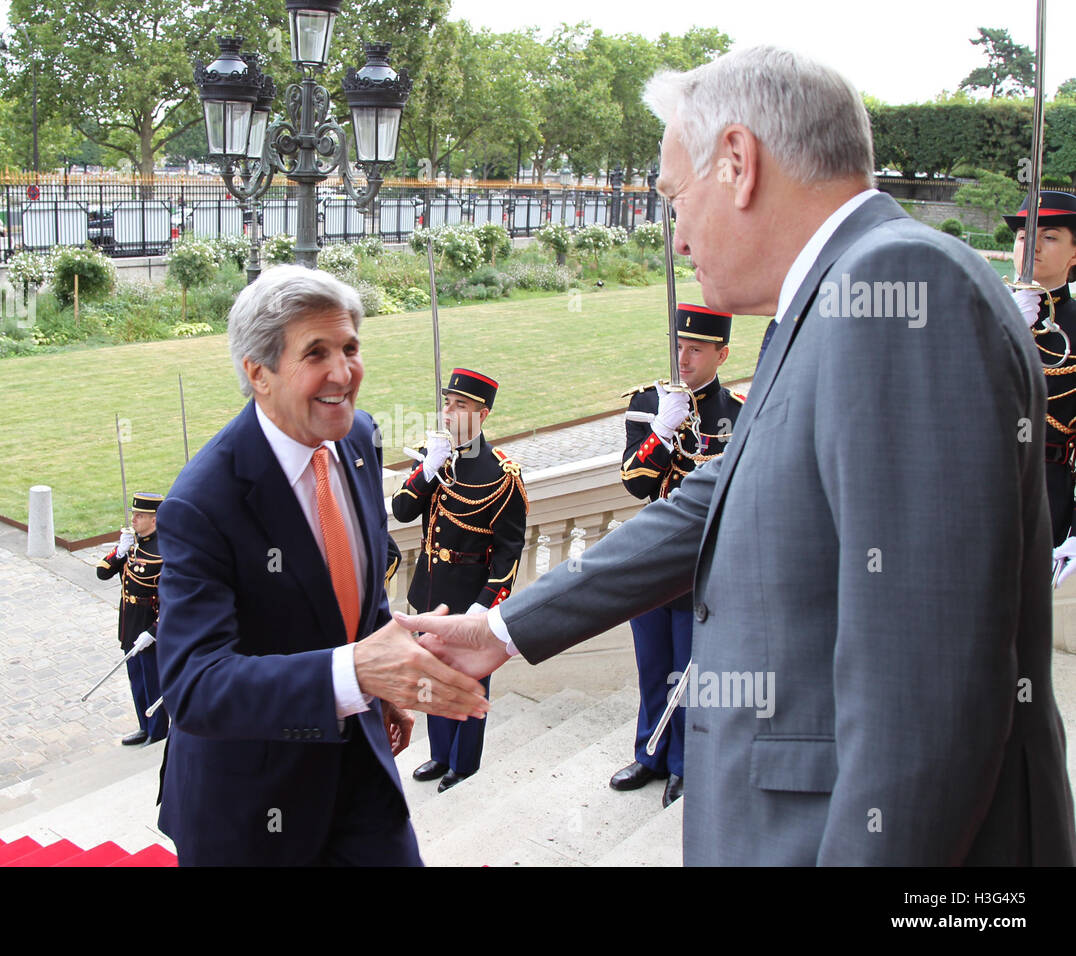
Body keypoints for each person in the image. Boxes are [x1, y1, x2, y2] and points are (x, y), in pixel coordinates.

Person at [397, 45, 1076, 865]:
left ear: (739, 163)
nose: (676, 234)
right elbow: (715, 499)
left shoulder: (897, 291)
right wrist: (503, 628)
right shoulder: (843, 293)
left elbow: (924, 699)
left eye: (673, 197)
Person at [155, 265, 489, 866]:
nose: (344, 373)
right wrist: (357, 672)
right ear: (258, 372)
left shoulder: (358, 437)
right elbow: (194, 686)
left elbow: (360, 593)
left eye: (351, 347)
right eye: (316, 353)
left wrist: (384, 673)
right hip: (254, 809)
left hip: (360, 776)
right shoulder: (202, 503)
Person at [612, 306, 743, 807]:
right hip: (651, 559)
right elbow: (634, 482)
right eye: (680, 347)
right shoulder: (650, 404)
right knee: (652, 665)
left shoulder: (735, 412)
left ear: (721, 354)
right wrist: (662, 431)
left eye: (697, 349)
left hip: (702, 565)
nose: (683, 358)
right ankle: (651, 754)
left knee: (690, 672)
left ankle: (687, 764)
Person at [392, 368, 528, 792]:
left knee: (468, 683)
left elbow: (508, 553)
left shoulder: (501, 475)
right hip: (431, 591)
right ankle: (440, 754)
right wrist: (427, 468)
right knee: (432, 676)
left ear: (482, 415)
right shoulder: (433, 459)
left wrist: (482, 608)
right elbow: (401, 511)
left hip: (471, 600)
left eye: (460, 406)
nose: (448, 412)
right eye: (447, 403)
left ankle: (464, 765)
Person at [1006, 191, 1076, 566]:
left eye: (1048, 236)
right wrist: (1003, 328)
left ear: (1074, 254)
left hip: (1047, 489)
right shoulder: (980, 311)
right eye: (1022, 236)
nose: (1030, 245)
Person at [96, 492, 168, 747]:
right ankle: (143, 725)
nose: (134, 520)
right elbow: (101, 574)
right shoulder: (132, 543)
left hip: (150, 627)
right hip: (129, 625)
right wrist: (119, 552)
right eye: (134, 515)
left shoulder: (163, 551)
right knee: (137, 681)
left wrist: (154, 631)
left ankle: (158, 730)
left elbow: (171, 600)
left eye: (140, 516)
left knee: (152, 682)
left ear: (155, 518)